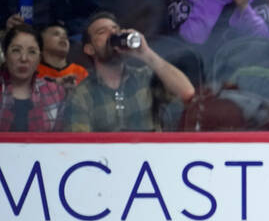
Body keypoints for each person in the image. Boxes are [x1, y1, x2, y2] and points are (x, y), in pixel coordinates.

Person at [61, 11, 196, 132]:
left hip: (150, 157)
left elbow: (187, 93)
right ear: (89, 49)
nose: (113, 34)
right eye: (102, 32)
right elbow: (79, 147)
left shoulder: (145, 77)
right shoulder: (83, 94)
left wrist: (146, 54)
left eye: (116, 29)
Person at [1, 23, 67, 131]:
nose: (24, 58)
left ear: (39, 58)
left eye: (32, 52)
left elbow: (59, 143)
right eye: (16, 50)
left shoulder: (56, 92)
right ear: (5, 55)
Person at [37, 21, 88, 85]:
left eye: (66, 36)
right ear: (40, 42)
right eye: (56, 34)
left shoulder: (81, 72)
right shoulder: (33, 72)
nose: (64, 38)